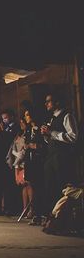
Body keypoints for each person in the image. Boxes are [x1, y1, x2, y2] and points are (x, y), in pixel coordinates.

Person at [37, 92, 79, 225]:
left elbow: (73, 137)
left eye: (49, 101)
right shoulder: (52, 118)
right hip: (51, 156)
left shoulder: (67, 115)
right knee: (50, 186)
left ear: (57, 102)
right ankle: (52, 217)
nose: (46, 104)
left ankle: (62, 219)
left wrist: (52, 133)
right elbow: (52, 140)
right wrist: (46, 135)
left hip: (62, 158)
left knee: (61, 186)